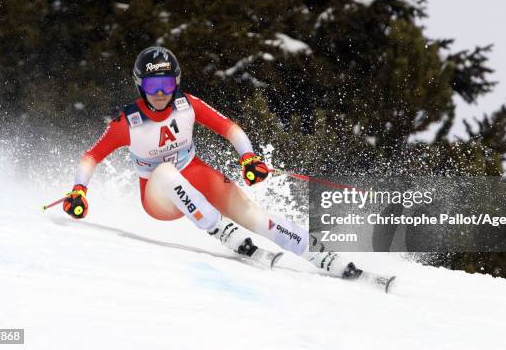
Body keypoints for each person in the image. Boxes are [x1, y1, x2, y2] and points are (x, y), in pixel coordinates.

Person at [63, 46, 361, 279]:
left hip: (195, 175)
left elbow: (229, 128)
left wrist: (248, 157)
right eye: (153, 86)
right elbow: (92, 156)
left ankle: (318, 254)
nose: (160, 93)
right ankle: (220, 230)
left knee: (251, 212)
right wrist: (79, 190)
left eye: (166, 84)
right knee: (165, 171)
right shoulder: (127, 122)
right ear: (140, 85)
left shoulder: (188, 105)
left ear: (175, 82)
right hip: (158, 197)